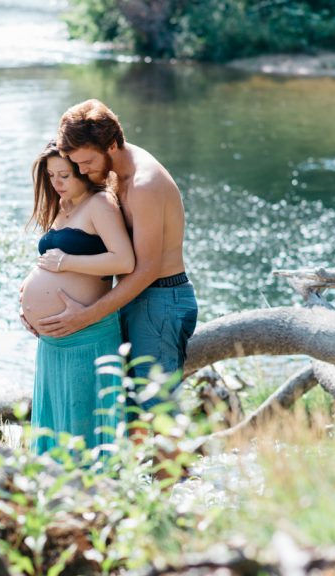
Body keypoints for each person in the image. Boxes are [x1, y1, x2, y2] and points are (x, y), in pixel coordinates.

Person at [36, 99, 198, 411]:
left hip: (160, 300)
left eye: (85, 163)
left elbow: (147, 269)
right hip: (131, 299)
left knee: (159, 411)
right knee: (130, 417)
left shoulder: (144, 183)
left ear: (111, 145)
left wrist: (86, 316)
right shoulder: (109, 172)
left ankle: (183, 462)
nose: (81, 171)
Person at [20, 140, 136, 455]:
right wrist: (27, 305)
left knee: (85, 427)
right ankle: (57, 498)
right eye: (51, 176)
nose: (56, 184)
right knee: (56, 422)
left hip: (87, 334)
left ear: (83, 172)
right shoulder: (62, 205)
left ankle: (93, 498)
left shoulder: (100, 204)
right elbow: (50, 262)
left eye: (64, 176)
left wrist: (68, 263)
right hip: (52, 340)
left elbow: (124, 261)